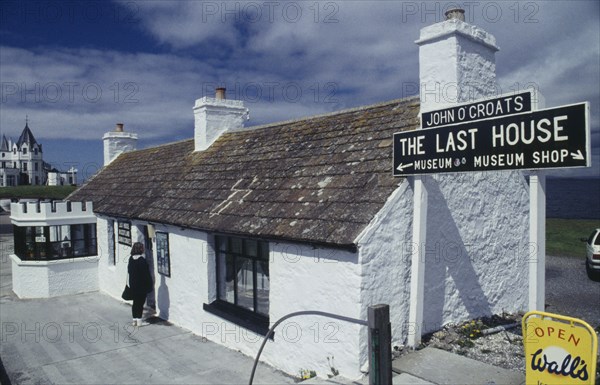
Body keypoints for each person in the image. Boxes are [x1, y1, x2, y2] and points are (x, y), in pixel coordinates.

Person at [127, 242, 153, 326]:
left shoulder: (131, 259)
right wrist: (149, 285)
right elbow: (146, 275)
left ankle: (134, 320)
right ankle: (139, 321)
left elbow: (129, 271)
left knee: (135, 303)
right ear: (140, 249)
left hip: (133, 285)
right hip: (141, 286)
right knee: (140, 303)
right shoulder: (142, 260)